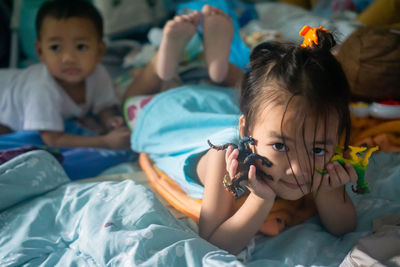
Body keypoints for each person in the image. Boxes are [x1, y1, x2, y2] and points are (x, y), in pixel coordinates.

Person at [127, 5, 358, 255]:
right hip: (175, 116)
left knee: (263, 92)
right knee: (131, 103)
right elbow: (214, 241)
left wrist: (330, 193)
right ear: (245, 128)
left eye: (317, 149)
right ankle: (164, 62)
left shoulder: (317, 137)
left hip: (224, 104)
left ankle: (220, 70)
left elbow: (344, 227)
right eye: (280, 146)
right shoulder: (224, 159)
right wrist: (260, 199)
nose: (299, 169)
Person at [0, 0, 130, 149]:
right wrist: (105, 142)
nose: (68, 58)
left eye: (81, 47)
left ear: (100, 51)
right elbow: (52, 139)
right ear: (40, 52)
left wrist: (110, 121)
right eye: (55, 47)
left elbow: (104, 106)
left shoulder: (98, 73)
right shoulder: (41, 87)